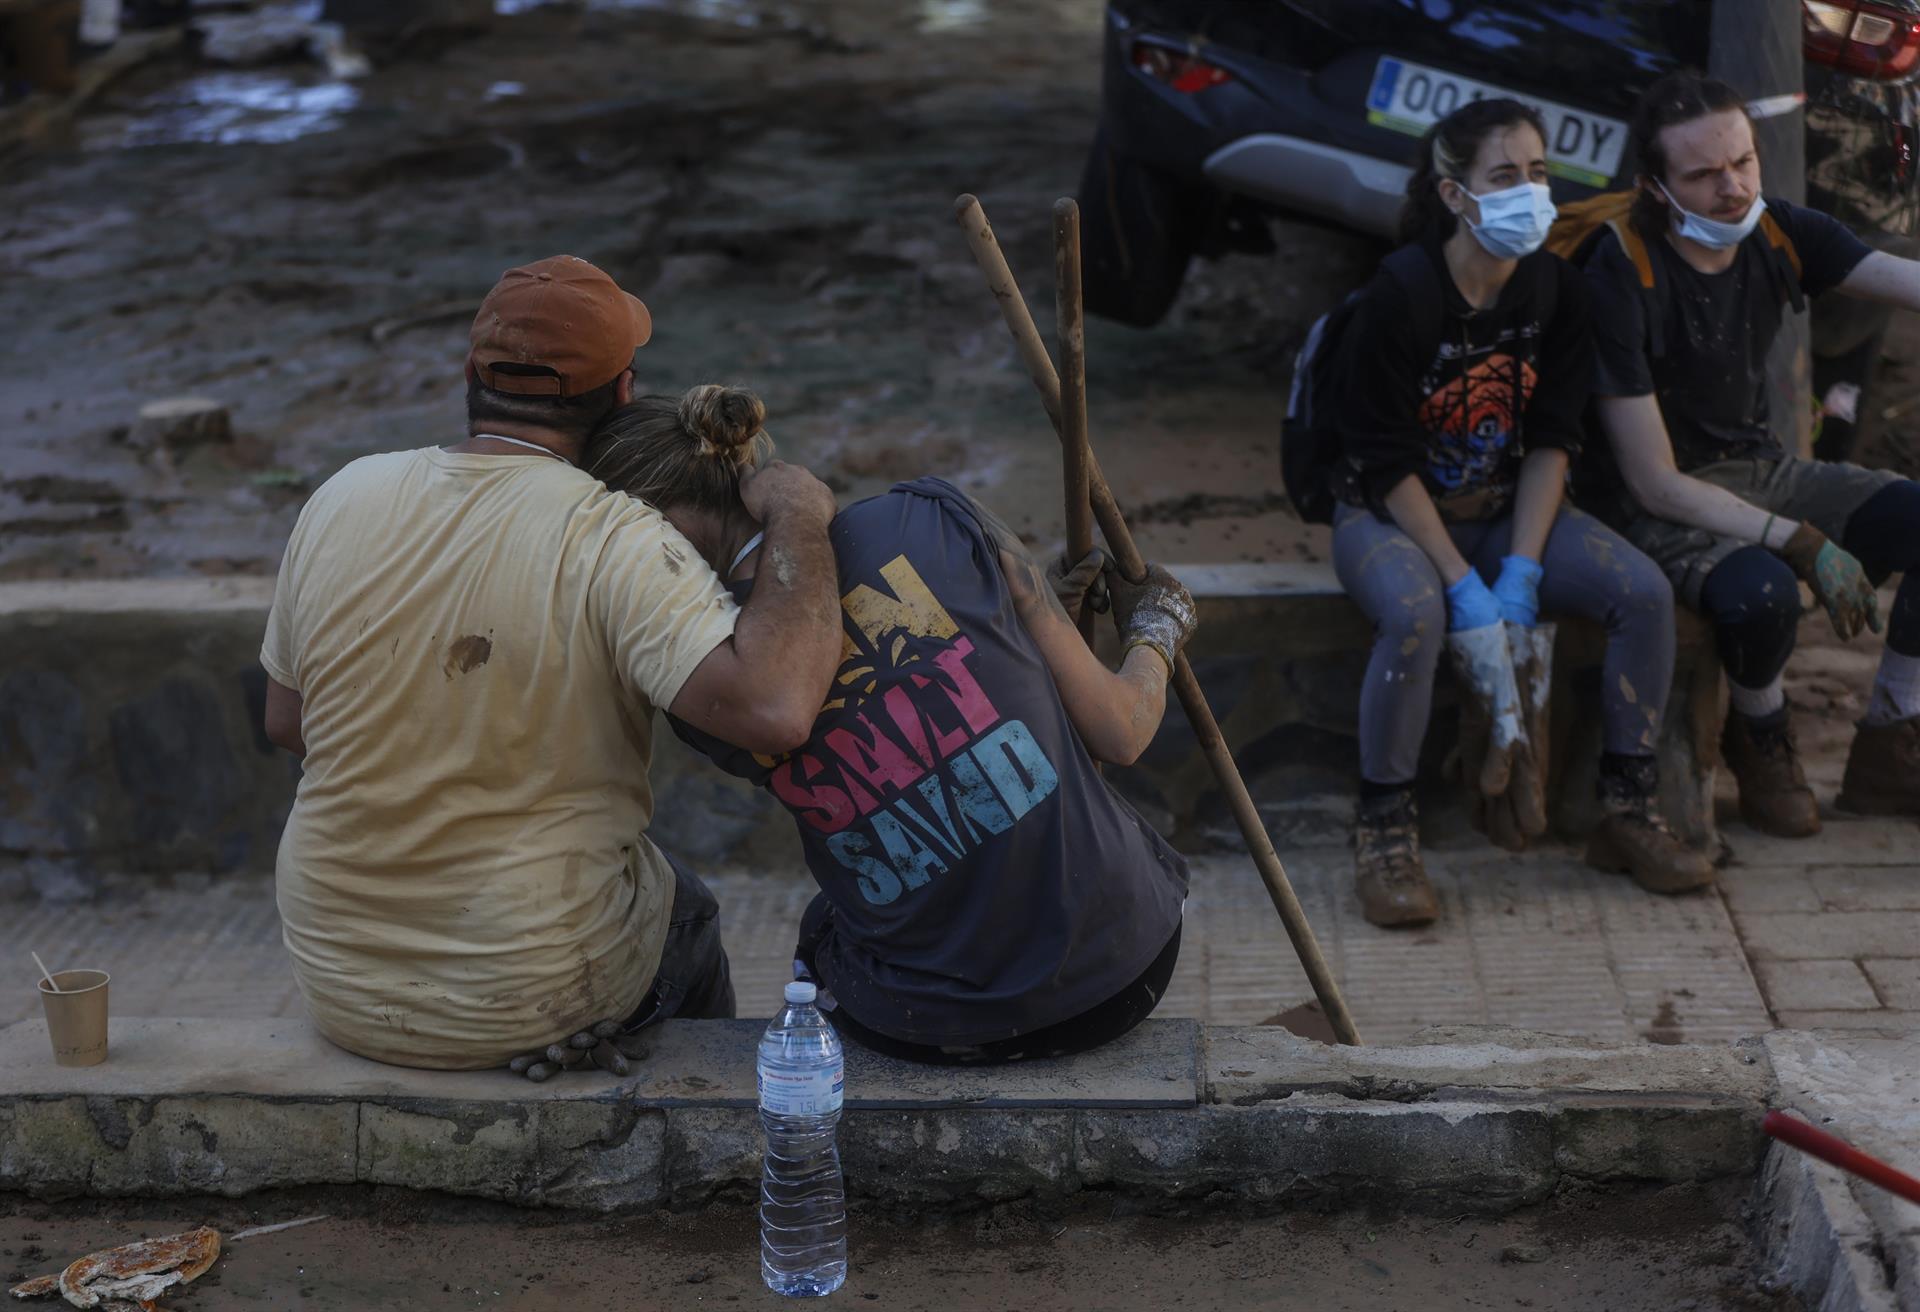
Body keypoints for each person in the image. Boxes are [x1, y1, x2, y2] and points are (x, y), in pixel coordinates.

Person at [259, 256, 844, 1074]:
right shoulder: (615, 538)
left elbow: (288, 723)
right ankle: (699, 1121)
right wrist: (800, 517)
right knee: (688, 911)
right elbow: (776, 709)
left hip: (341, 986)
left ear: (470, 374)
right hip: (534, 992)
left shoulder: (342, 494)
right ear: (624, 394)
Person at [582, 385, 1196, 1065]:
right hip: (1130, 968)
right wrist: (1157, 627)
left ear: (645, 528)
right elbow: (1122, 731)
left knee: (822, 941)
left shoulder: (708, 677)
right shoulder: (933, 516)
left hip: (934, 1027)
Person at [1329, 98, 1709, 929]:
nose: (1530, 192)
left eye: (1539, 174)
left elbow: (1552, 440)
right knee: (1414, 613)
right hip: (1391, 517)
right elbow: (1385, 462)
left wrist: (1524, 570)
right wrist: (1466, 584)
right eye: (1505, 176)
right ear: (1455, 195)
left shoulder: (1556, 291)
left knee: (1641, 592)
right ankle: (1385, 827)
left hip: (1508, 509)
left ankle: (1626, 807)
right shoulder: (1399, 297)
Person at [1588, 71, 1920, 836]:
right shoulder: (1623, 270)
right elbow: (1653, 480)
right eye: (1703, 175)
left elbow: (1897, 276)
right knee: (1766, 591)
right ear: (1656, 186)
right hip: (1652, 501)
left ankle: (1890, 740)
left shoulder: (1778, 229)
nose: (1732, 188)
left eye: (1742, 163)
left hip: (1759, 468)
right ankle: (1761, 732)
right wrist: (1802, 542)